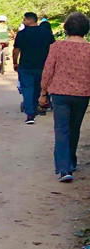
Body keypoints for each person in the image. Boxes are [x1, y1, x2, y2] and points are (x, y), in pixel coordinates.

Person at [40, 12, 90, 183]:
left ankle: (64, 168)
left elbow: (48, 71)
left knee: (61, 129)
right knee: (74, 128)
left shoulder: (57, 47)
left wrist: (43, 93)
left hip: (60, 94)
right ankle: (72, 161)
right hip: (82, 94)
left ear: (66, 28)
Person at [12, 11, 54, 124]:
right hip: (42, 66)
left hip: (26, 66)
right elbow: (52, 49)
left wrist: (14, 63)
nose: (23, 21)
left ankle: (30, 114)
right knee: (38, 89)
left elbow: (16, 51)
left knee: (27, 89)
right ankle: (34, 109)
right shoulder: (46, 33)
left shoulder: (22, 34)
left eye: (24, 19)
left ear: (30, 20)